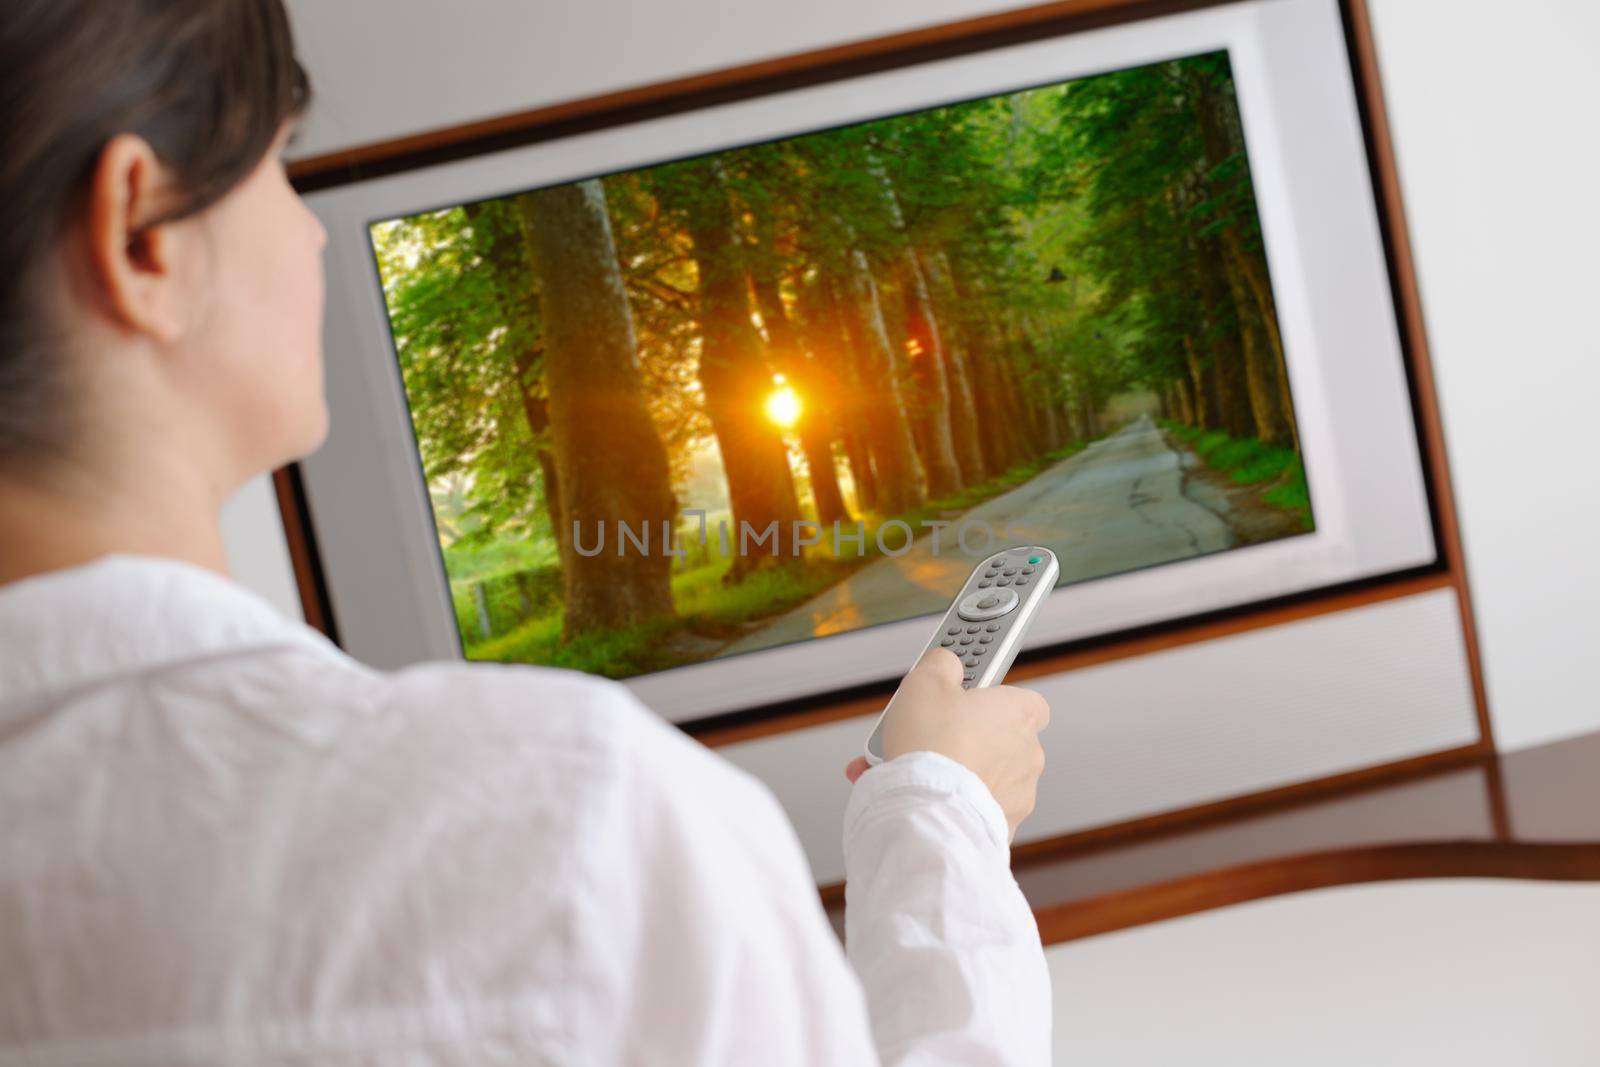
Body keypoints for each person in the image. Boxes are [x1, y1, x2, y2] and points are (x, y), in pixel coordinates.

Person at [0, 1, 1053, 1063]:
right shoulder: (567, 820)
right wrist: (939, 816)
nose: (312, 225)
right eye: (281, 160)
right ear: (143, 235)